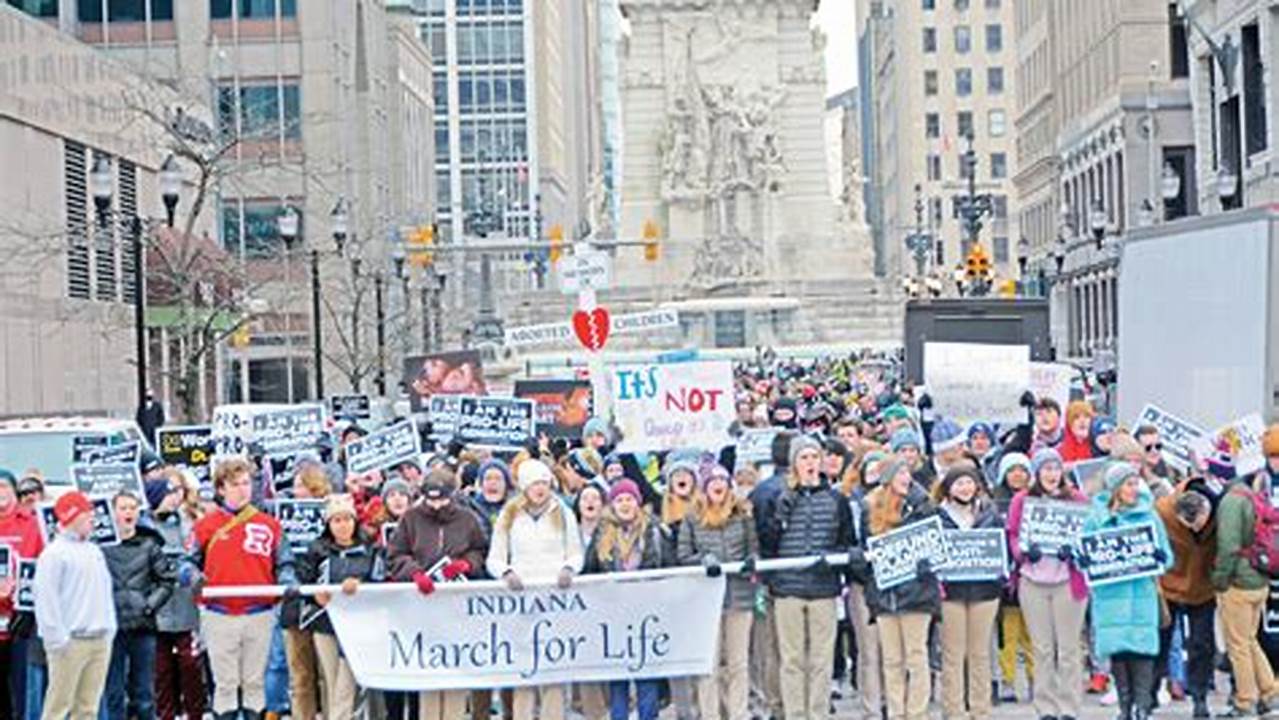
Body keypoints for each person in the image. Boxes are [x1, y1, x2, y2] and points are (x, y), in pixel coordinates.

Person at [185, 457, 296, 720]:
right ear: (221, 488)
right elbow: (187, 561)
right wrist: (192, 576)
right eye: (235, 484)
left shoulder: (270, 525)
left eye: (246, 483)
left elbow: (284, 562)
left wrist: (288, 582)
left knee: (255, 682)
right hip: (219, 612)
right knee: (225, 683)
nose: (243, 489)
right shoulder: (205, 525)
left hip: (259, 611)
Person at [761, 435, 854, 720]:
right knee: (791, 659)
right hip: (788, 587)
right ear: (794, 464)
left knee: (821, 659)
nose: (810, 463)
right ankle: (795, 713)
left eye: (814, 457)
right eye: (804, 458)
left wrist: (836, 560)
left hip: (823, 588)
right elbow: (768, 543)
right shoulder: (779, 497)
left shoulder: (837, 499)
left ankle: (818, 712)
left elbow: (846, 540)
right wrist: (780, 514)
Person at [387, 469, 487, 720]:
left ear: (451, 496)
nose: (435, 505)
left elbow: (481, 550)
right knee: (428, 670)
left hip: (456, 605)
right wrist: (414, 573)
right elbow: (396, 553)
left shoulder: (467, 519)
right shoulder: (411, 518)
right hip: (422, 605)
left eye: (441, 499)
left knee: (454, 668)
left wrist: (467, 564)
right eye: (431, 500)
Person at [486, 460, 583, 719]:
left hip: (555, 601)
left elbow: (576, 552)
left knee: (553, 670)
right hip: (521, 602)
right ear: (524, 487)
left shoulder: (563, 513)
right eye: (535, 483)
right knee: (524, 669)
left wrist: (569, 568)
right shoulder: (509, 514)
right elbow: (494, 558)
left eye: (544, 483)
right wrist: (506, 573)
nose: (540, 489)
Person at [1082, 464, 1173, 720]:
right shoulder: (1096, 518)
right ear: (1115, 488)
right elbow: (1084, 552)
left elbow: (1167, 558)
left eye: (1136, 483)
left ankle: (1142, 706)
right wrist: (1085, 560)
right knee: (1118, 652)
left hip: (1140, 595)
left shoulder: (1150, 516)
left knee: (1142, 652)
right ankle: (1125, 706)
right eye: (1129, 484)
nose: (1135, 489)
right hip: (1110, 596)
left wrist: (1158, 556)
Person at [851, 459, 939, 720]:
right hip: (885, 594)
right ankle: (896, 712)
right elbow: (866, 550)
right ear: (887, 479)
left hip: (917, 592)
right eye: (899, 472)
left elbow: (935, 543)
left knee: (916, 655)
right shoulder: (871, 510)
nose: (905, 476)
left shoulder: (923, 506)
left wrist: (927, 564)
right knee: (891, 660)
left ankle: (917, 713)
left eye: (906, 472)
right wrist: (859, 559)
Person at [1006, 448, 1089, 720]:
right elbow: (1013, 534)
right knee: (1041, 648)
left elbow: (1088, 534)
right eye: (1046, 469)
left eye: (1056, 468)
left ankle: (1069, 708)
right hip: (1033, 580)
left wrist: (1073, 551)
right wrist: (1022, 552)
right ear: (1037, 473)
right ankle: (1045, 708)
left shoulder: (1077, 499)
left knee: (1068, 648)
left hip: (1067, 580)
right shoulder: (1022, 500)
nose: (1052, 474)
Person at [677, 462, 758, 720]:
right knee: (709, 664)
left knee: (738, 663)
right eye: (712, 481)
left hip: (739, 595)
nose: (718, 486)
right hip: (706, 600)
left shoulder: (742, 516)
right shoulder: (692, 517)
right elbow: (683, 554)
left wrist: (751, 562)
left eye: (722, 481)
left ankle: (739, 713)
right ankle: (710, 713)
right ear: (705, 487)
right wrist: (703, 560)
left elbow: (754, 549)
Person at [583, 480, 666, 720]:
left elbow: (664, 564)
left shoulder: (652, 530)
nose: (625, 504)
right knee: (617, 676)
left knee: (646, 673)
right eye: (620, 500)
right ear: (613, 504)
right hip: (613, 612)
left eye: (629, 499)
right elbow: (590, 569)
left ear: (637, 502)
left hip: (646, 611)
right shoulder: (602, 532)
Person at [300, 494, 385, 720]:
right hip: (325, 621)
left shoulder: (369, 548)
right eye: (336, 520)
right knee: (331, 679)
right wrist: (315, 594)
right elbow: (304, 580)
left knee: (347, 682)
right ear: (328, 524)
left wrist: (361, 585)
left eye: (347, 519)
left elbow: (380, 581)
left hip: (359, 622)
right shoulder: (317, 549)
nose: (343, 525)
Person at [35, 491, 115, 720]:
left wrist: (109, 628)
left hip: (99, 638)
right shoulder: (54, 554)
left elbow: (104, 594)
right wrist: (56, 639)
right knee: (58, 707)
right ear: (72, 517)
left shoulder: (94, 551)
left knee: (88, 708)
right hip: (70, 640)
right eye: (87, 514)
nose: (93, 518)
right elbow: (46, 600)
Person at [1211, 457, 1279, 717]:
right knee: (1250, 640)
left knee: (1237, 644)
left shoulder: (1231, 502)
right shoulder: (1254, 496)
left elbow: (1228, 547)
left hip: (1239, 581)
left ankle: (1244, 701)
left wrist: (1219, 579)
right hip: (1260, 578)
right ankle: (1269, 691)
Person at [935, 464, 1002, 720]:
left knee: (980, 653)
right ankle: (953, 710)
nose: (965, 488)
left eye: (969, 482)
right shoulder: (938, 517)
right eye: (959, 483)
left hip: (984, 592)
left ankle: (980, 710)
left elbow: (1000, 549)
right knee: (952, 653)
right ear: (949, 487)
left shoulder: (989, 514)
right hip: (951, 593)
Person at [101, 492, 175, 720]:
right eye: (123, 508)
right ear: (113, 512)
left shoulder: (150, 545)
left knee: (144, 693)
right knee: (113, 693)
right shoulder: (99, 547)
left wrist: (149, 605)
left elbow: (167, 580)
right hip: (111, 627)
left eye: (133, 508)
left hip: (143, 625)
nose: (128, 513)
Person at [1155, 483, 1217, 718]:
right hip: (1171, 583)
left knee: (1202, 643)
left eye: (1199, 524)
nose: (1195, 529)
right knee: (1161, 641)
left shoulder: (1220, 509)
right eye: (1189, 526)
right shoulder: (1162, 511)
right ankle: (1151, 692)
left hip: (1203, 586)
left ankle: (1200, 696)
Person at [146, 474, 204, 720]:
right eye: (169, 493)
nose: (174, 499)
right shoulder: (144, 527)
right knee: (161, 671)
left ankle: (195, 714)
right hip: (157, 606)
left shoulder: (188, 523)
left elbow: (194, 553)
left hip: (185, 606)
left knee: (190, 666)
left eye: (176, 492)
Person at [0, 468, 45, 720]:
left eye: (4, 487)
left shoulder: (32, 524)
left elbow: (44, 567)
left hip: (23, 619)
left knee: (24, 691)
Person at [845, 452, 887, 720]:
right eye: (869, 467)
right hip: (863, 582)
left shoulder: (899, 501)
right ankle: (872, 706)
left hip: (893, 582)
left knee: (892, 649)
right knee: (869, 649)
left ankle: (891, 701)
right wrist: (861, 568)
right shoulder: (851, 503)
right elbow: (847, 539)